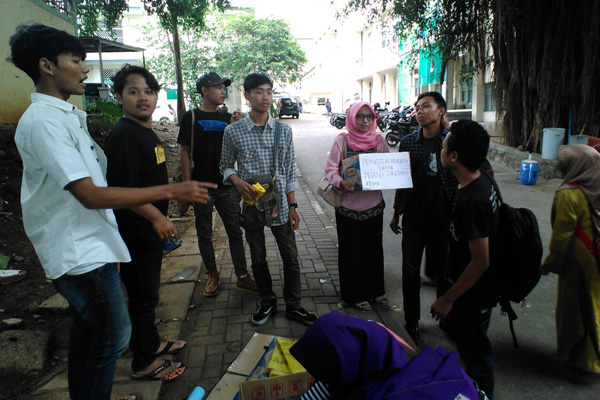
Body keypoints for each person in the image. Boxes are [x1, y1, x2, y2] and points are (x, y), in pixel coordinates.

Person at [9, 24, 214, 400]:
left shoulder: (65, 117)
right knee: (112, 336)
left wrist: (112, 245)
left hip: (94, 245)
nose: (85, 69)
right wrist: (172, 191)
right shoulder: (44, 123)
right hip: (77, 251)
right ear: (46, 66)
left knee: (93, 335)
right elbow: (89, 194)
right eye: (76, 60)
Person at [104, 65, 188, 382]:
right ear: (119, 96)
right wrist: (157, 216)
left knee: (149, 294)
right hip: (134, 233)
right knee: (141, 298)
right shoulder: (123, 136)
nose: (143, 98)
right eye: (134, 91)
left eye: (149, 91)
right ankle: (142, 362)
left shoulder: (144, 132)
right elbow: (123, 192)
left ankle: (152, 343)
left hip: (149, 233)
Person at [220, 73, 317, 326]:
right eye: (259, 92)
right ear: (247, 95)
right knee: (258, 257)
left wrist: (293, 205)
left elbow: (288, 170)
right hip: (251, 205)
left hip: (281, 206)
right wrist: (238, 181)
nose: (265, 97)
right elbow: (225, 166)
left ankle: (294, 306)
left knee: (291, 258)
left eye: (269, 91)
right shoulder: (233, 131)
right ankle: (267, 301)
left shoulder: (283, 131)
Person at [430, 119, 500, 399]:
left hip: (475, 295)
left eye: (445, 144)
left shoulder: (473, 201)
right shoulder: (480, 170)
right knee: (470, 349)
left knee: (477, 357)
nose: (441, 145)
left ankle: (482, 395)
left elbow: (480, 261)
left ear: (454, 156)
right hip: (473, 290)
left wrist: (448, 298)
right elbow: (471, 139)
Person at [178, 72, 257, 297]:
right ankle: (212, 274)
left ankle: (242, 276)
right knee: (204, 234)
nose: (223, 91)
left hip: (226, 185)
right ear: (205, 90)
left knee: (234, 231)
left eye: (224, 88)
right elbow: (184, 150)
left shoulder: (228, 117)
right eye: (218, 87)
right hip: (201, 186)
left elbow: (238, 149)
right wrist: (186, 184)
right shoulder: (191, 117)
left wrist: (238, 127)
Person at [389, 91, 458, 344]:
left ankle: (448, 318)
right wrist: (397, 212)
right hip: (415, 219)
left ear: (441, 111)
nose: (419, 111)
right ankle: (411, 321)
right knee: (410, 273)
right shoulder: (408, 141)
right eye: (417, 107)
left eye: (426, 106)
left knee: (445, 273)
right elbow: (402, 181)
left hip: (444, 220)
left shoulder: (453, 141)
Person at [324, 102, 389, 311]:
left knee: (373, 251)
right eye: (360, 117)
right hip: (348, 208)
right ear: (351, 118)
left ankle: (376, 291)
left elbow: (388, 167)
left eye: (368, 117)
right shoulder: (342, 140)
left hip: (373, 206)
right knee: (351, 252)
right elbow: (330, 169)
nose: (364, 121)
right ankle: (355, 294)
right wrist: (340, 182)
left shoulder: (379, 141)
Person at [541, 144, 600, 373]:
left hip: (579, 259)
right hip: (597, 255)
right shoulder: (596, 184)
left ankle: (579, 359)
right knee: (595, 304)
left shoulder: (569, 193)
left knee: (575, 309)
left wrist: (551, 264)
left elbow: (562, 235)